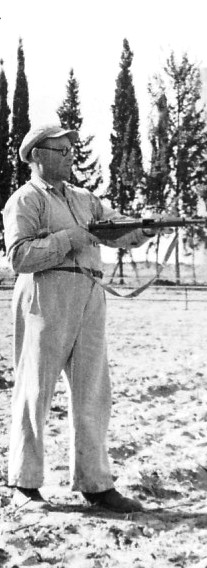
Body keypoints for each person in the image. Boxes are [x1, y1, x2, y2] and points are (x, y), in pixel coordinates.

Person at [3, 124, 160, 513]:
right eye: (62, 151)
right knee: (35, 389)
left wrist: (143, 228)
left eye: (71, 151)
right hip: (46, 293)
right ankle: (25, 485)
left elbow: (114, 229)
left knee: (93, 390)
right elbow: (20, 257)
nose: (70, 157)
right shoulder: (25, 200)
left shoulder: (85, 198)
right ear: (37, 155)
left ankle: (96, 484)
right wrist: (70, 238)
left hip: (89, 293)